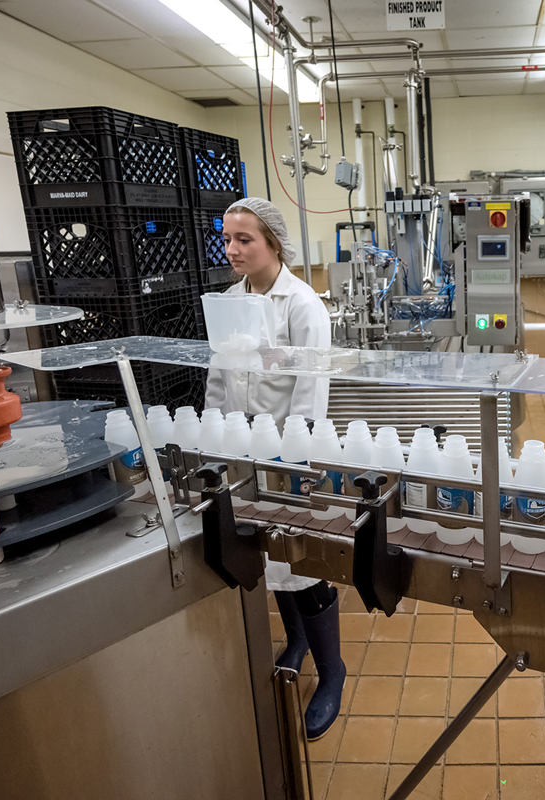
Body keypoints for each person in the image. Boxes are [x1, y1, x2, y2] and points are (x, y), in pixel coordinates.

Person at [204, 197, 344, 741]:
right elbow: (220, 380)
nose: (233, 249)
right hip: (243, 454)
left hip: (288, 454)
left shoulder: (302, 305)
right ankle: (300, 641)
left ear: (274, 244)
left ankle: (332, 672)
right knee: (267, 556)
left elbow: (312, 392)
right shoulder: (229, 302)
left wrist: (296, 458)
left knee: (303, 564)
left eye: (245, 239)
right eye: (228, 238)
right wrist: (212, 438)